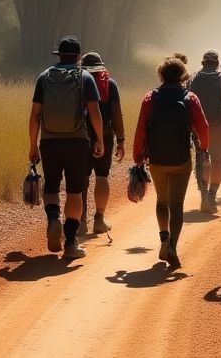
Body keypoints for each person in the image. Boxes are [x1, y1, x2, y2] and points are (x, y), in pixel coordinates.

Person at [29, 35, 105, 260]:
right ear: (78, 57)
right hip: (77, 142)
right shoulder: (85, 78)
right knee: (74, 191)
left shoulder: (44, 77)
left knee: (51, 186)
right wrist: (99, 139)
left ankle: (53, 219)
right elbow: (95, 113)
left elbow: (34, 116)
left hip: (50, 141)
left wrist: (33, 145)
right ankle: (71, 244)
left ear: (59, 55)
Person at [133, 56, 210, 269]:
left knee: (162, 201)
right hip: (181, 159)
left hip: (157, 159)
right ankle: (173, 246)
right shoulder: (190, 98)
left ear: (162, 75)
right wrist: (204, 149)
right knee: (177, 205)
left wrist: (138, 156)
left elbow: (141, 129)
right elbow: (203, 127)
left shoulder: (150, 98)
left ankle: (163, 240)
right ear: (183, 75)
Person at [80, 51, 125, 236]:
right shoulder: (110, 84)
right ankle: (99, 219)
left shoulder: (78, 82)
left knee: (81, 179)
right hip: (105, 137)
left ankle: (80, 221)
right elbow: (116, 114)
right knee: (102, 176)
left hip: (81, 137)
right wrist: (121, 139)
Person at [187, 50, 221, 213]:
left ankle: (204, 196)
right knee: (217, 162)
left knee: (202, 160)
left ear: (203, 63)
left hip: (199, 126)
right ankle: (212, 197)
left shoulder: (193, 78)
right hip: (220, 125)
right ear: (217, 64)